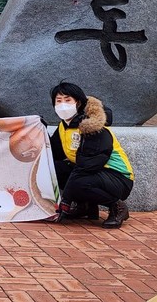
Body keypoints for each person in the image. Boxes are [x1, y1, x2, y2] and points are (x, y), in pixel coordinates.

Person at [49, 81, 133, 229]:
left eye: (68, 100)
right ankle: (85, 207)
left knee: (80, 181)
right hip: (90, 173)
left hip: (118, 177)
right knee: (54, 169)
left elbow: (88, 165)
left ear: (78, 103)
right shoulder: (64, 126)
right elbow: (53, 153)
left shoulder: (92, 128)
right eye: (59, 101)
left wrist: (66, 201)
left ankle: (117, 206)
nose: (63, 105)